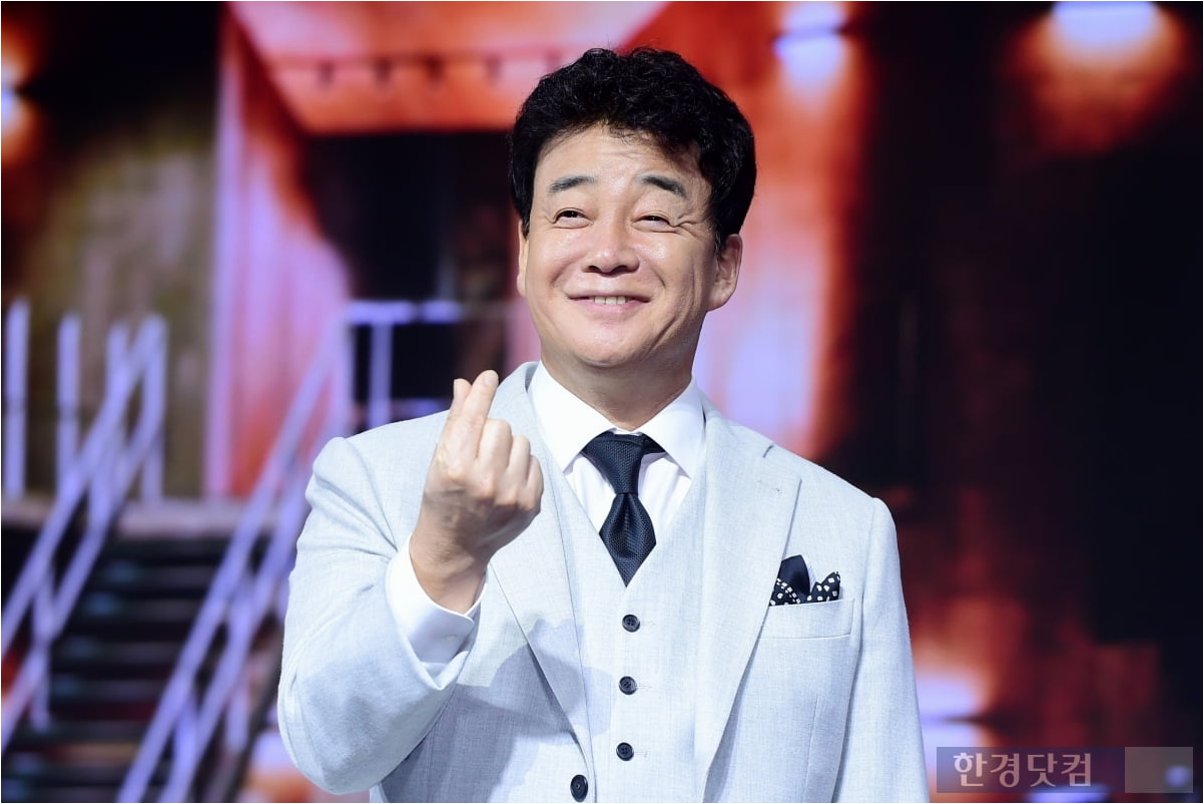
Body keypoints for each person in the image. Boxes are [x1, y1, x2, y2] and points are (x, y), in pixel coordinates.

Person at [278, 47, 928, 802]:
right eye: (571, 214)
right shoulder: (375, 478)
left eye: (655, 216)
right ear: (525, 253)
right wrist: (443, 559)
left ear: (723, 266)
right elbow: (328, 751)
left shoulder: (843, 527)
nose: (609, 253)